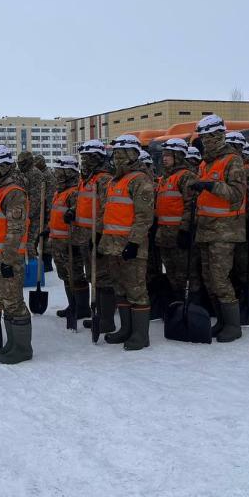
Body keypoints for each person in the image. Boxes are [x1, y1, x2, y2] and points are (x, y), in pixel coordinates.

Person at [97, 135, 156, 350]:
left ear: (133, 154)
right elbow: (109, 213)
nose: (117, 158)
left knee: (136, 289)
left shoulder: (140, 180)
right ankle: (125, 329)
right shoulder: (115, 180)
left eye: (121, 154)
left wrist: (134, 243)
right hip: (112, 245)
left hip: (131, 246)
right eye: (115, 154)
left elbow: (144, 216)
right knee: (120, 288)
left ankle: (140, 335)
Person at [190, 115, 246, 342]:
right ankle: (221, 321)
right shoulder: (205, 163)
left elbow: (236, 194)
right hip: (205, 228)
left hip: (225, 230)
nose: (205, 142)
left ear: (219, 136)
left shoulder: (233, 160)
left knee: (220, 278)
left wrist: (212, 186)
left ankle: (233, 326)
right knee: (209, 278)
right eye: (202, 138)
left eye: (208, 137)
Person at [0, 145, 32, 364]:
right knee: (5, 301)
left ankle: (22, 349)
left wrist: (8, 260)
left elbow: (15, 230)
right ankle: (11, 344)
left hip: (7, 258)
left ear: (4, 168)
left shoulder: (14, 193)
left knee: (14, 302)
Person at [71, 140, 115, 332]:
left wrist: (98, 234)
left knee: (102, 277)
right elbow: (85, 203)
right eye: (83, 158)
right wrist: (73, 211)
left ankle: (106, 319)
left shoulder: (103, 179)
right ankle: (97, 313)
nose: (84, 161)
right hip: (83, 235)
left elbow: (107, 209)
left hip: (97, 235)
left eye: (88, 158)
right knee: (92, 276)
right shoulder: (86, 179)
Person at [154, 138, 200, 303]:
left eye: (169, 155)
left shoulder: (186, 176)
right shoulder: (164, 178)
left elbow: (191, 206)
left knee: (187, 274)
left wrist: (185, 230)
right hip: (164, 235)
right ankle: (178, 304)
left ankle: (192, 306)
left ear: (179, 156)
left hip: (180, 234)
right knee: (172, 273)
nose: (164, 158)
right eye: (164, 154)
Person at [49, 155, 89, 319]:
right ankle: (71, 304)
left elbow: (77, 212)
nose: (57, 174)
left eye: (60, 171)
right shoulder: (59, 192)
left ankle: (81, 307)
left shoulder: (74, 192)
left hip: (70, 241)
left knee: (76, 275)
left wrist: (72, 212)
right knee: (65, 275)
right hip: (58, 242)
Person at [226, 131, 249, 293]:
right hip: (230, 223)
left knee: (247, 263)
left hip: (246, 223)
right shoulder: (229, 166)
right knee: (233, 264)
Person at [17, 150, 45, 258]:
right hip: (23, 214)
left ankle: (32, 270)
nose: (20, 165)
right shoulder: (22, 173)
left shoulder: (35, 174)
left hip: (32, 217)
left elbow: (36, 198)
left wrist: (27, 215)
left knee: (29, 245)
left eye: (22, 163)